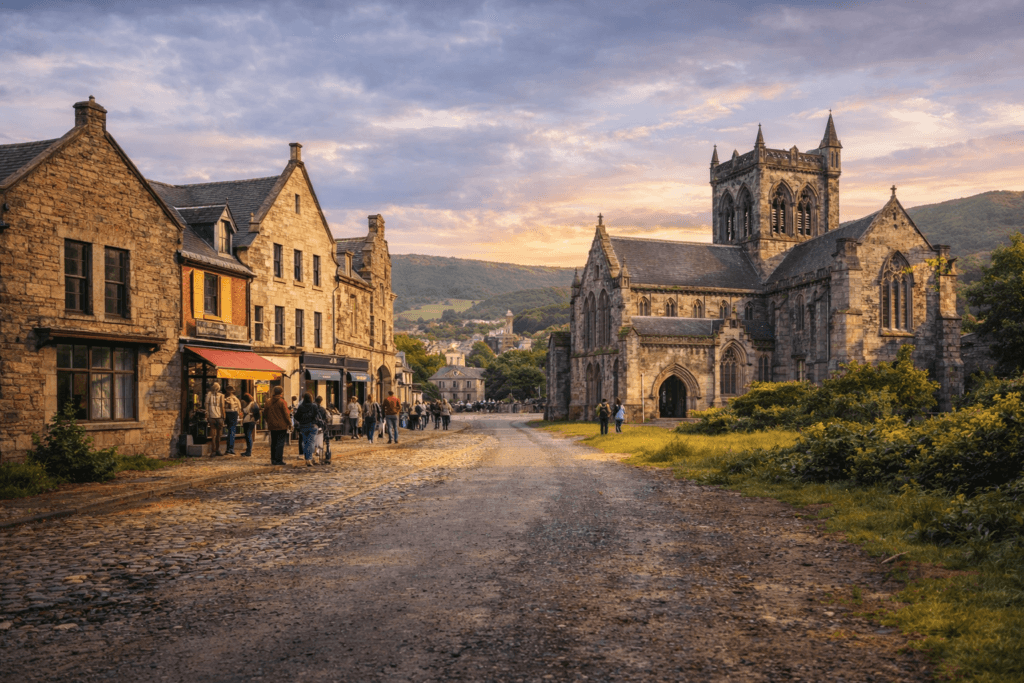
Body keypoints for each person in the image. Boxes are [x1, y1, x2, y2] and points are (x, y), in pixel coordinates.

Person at [264, 386, 291, 466]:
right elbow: (286, 414)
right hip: (281, 425)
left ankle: (273, 459)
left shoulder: (268, 402)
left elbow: (265, 414)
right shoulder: (282, 402)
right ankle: (279, 459)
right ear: (281, 393)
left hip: (272, 425)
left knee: (274, 442)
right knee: (280, 443)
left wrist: (268, 421)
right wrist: (289, 423)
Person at [293, 392, 319, 467]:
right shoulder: (314, 406)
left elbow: (297, 416)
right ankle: (309, 458)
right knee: (311, 442)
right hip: (312, 425)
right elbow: (316, 415)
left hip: (303, 426)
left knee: (304, 441)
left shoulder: (301, 406)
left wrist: (301, 420)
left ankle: (306, 456)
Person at [205, 383, 226, 456]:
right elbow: (222, 407)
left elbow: (206, 405)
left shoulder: (209, 395)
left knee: (214, 435)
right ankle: (217, 449)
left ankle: (214, 450)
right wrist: (224, 417)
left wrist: (207, 415)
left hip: (212, 416)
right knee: (218, 435)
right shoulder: (221, 396)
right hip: (218, 417)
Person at [223, 385, 241, 455]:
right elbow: (239, 408)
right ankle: (230, 448)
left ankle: (229, 448)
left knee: (230, 431)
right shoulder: (235, 398)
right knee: (232, 431)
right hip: (233, 414)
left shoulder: (224, 398)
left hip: (227, 414)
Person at [240, 392, 259, 457]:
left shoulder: (251, 404)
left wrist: (256, 419)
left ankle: (249, 451)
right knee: (247, 436)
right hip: (248, 420)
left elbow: (257, 412)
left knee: (248, 435)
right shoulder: (250, 404)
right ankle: (248, 450)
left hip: (249, 420)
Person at [315, 396, 331, 463]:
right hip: (322, 426)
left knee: (316, 440)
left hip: (315, 426)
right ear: (321, 401)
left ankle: (317, 452)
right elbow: (327, 418)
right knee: (326, 440)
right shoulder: (323, 409)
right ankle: (327, 455)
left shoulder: (313, 408)